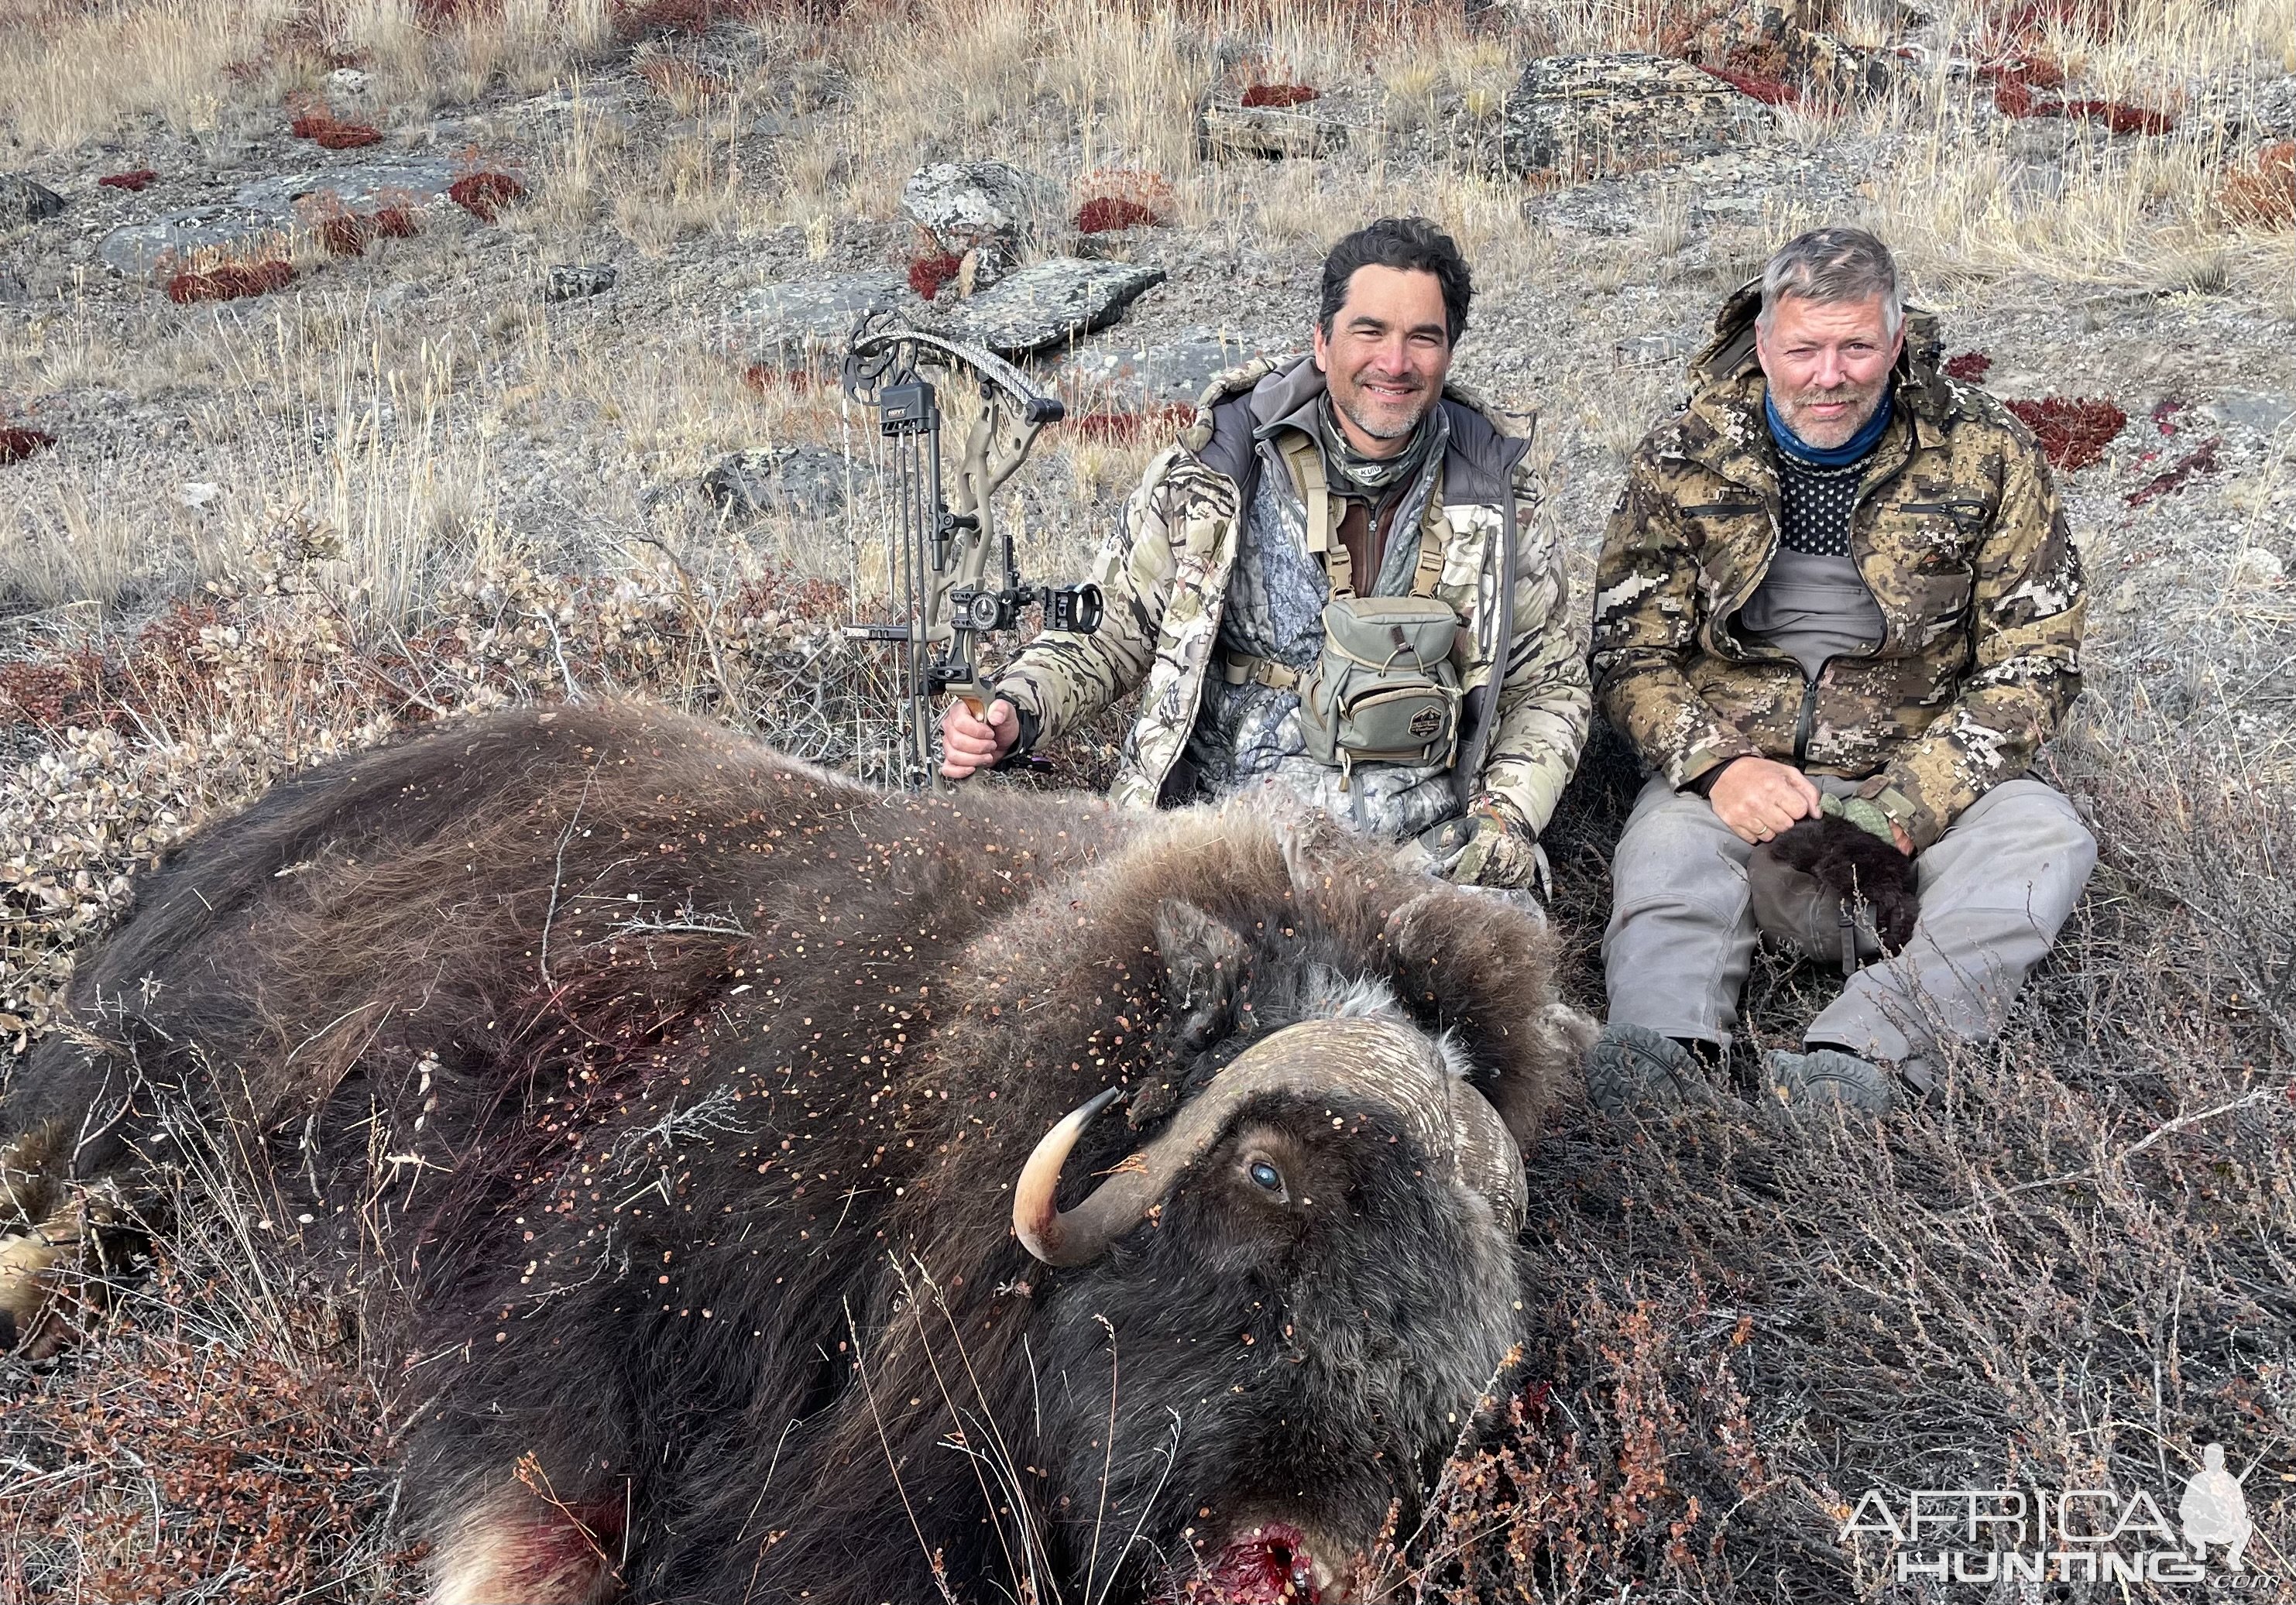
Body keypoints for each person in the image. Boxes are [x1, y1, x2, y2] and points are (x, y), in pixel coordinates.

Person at [1587, 226, 2095, 1113]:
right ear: (1762, 343)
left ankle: (1866, 1063)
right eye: (1805, 350)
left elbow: (2035, 659)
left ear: (1894, 342)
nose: (1831, 375)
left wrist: (1902, 807)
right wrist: (1716, 765)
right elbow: (1629, 650)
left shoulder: (1988, 450)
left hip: (1925, 778)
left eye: (1857, 346)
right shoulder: (1682, 456)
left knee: (2044, 838)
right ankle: (1661, 1064)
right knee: (1665, 855)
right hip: (1740, 780)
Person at [940, 217, 1589, 892]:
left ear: (1448, 353)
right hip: (1221, 840)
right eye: (1369, 332)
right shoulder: (1215, 470)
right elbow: (1109, 629)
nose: (1394, 364)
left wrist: (1503, 816)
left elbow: (1549, 686)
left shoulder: (1499, 494)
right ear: (1321, 341)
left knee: (1489, 991)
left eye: (1421, 338)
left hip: (1430, 857)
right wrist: (1017, 708)